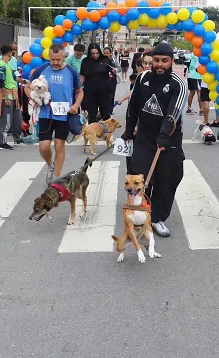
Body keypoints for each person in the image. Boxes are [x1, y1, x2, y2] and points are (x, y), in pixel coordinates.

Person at [121, 42, 188, 237]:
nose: (159, 64)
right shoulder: (142, 78)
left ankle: (158, 218)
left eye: (164, 61)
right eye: (156, 60)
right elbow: (133, 107)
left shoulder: (178, 83)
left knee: (169, 178)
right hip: (144, 136)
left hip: (169, 138)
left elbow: (173, 113)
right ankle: (142, 211)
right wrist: (128, 130)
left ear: (171, 61)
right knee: (138, 174)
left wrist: (164, 135)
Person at [26, 44, 82, 182]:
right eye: (52, 60)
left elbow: (79, 92)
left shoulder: (71, 71)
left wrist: (75, 105)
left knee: (59, 145)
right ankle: (50, 165)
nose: (55, 63)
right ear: (49, 57)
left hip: (64, 115)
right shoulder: (41, 69)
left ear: (64, 57)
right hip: (45, 113)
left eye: (58, 60)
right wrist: (34, 97)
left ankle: (55, 179)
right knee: (44, 147)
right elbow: (28, 87)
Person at [80, 43, 115, 124]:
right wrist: (78, 88)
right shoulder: (85, 61)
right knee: (91, 115)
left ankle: (107, 134)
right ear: (89, 53)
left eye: (97, 53)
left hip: (105, 92)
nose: (95, 55)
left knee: (105, 114)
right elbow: (82, 76)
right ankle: (92, 133)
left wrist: (114, 72)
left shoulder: (106, 59)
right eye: (93, 54)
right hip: (90, 92)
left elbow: (113, 72)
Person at [0, 44, 22, 150]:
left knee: (16, 119)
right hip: (6, 95)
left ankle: (17, 138)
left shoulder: (6, 65)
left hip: (13, 95)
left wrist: (27, 82)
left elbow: (14, 78)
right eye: (12, 52)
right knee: (5, 120)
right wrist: (6, 97)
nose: (13, 54)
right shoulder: (1, 65)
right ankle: (2, 143)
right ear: (9, 53)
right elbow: (1, 82)